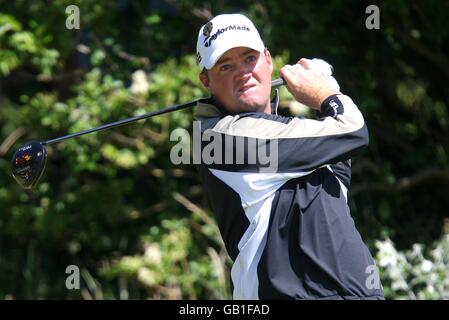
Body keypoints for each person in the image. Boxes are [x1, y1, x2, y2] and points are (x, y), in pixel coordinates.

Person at [193, 13, 384, 300]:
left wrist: (326, 95)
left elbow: (341, 150)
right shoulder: (218, 139)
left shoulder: (293, 136)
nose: (242, 72)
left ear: (268, 60)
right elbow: (352, 131)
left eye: (249, 58)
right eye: (225, 66)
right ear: (206, 80)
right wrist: (326, 95)